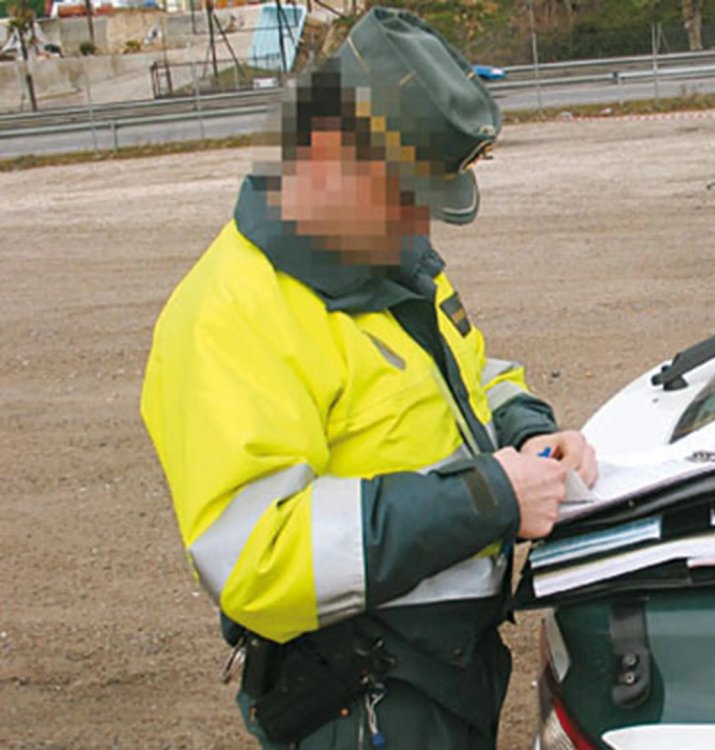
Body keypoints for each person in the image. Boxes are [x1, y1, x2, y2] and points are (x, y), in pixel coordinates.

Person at [140, 8, 597, 748]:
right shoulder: (229, 317)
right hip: (365, 703)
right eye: (407, 199)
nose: (422, 227)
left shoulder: (388, 261)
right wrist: (490, 498)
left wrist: (532, 432)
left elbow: (470, 375)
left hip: (446, 673)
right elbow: (257, 558)